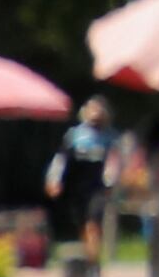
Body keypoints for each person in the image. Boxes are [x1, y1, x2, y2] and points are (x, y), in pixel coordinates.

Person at [49, 96, 115, 264]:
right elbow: (61, 159)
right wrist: (54, 179)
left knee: (93, 223)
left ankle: (93, 262)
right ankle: (90, 256)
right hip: (77, 187)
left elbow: (113, 161)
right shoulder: (75, 136)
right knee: (83, 224)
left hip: (97, 187)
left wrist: (111, 181)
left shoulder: (109, 137)